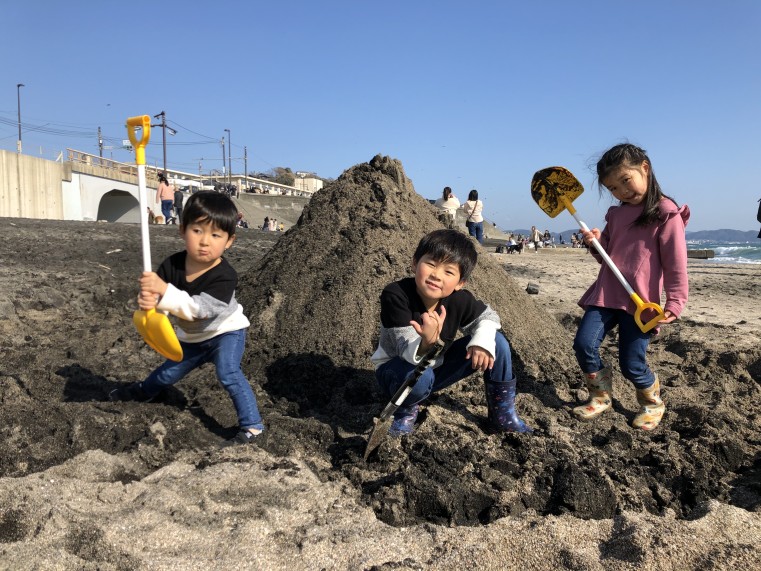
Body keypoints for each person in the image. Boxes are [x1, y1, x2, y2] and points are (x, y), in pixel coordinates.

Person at [109, 191, 265, 445]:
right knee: (165, 375)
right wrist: (151, 302)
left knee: (228, 373)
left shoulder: (226, 276)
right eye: (197, 231)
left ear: (229, 241)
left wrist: (164, 291)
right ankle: (144, 391)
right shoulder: (172, 266)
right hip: (192, 337)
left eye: (216, 235)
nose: (205, 242)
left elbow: (199, 310)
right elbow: (160, 306)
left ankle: (253, 426)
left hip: (225, 332)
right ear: (182, 230)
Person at [573, 143, 689, 431]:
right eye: (613, 188)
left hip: (641, 304)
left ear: (645, 169)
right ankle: (600, 395)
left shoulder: (665, 213)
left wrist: (675, 301)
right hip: (606, 294)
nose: (622, 192)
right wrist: (596, 242)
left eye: (626, 181)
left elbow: (676, 263)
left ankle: (652, 403)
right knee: (584, 344)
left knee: (632, 362)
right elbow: (607, 257)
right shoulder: (616, 214)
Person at [371, 229, 532, 436]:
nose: (436, 275)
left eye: (448, 272)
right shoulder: (396, 295)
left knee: (497, 342)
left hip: (435, 370)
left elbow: (490, 317)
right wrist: (427, 343)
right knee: (420, 376)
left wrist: (481, 340)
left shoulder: (459, 299)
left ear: (460, 283)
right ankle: (405, 413)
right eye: (431, 264)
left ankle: (502, 415)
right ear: (414, 263)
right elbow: (405, 351)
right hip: (397, 373)